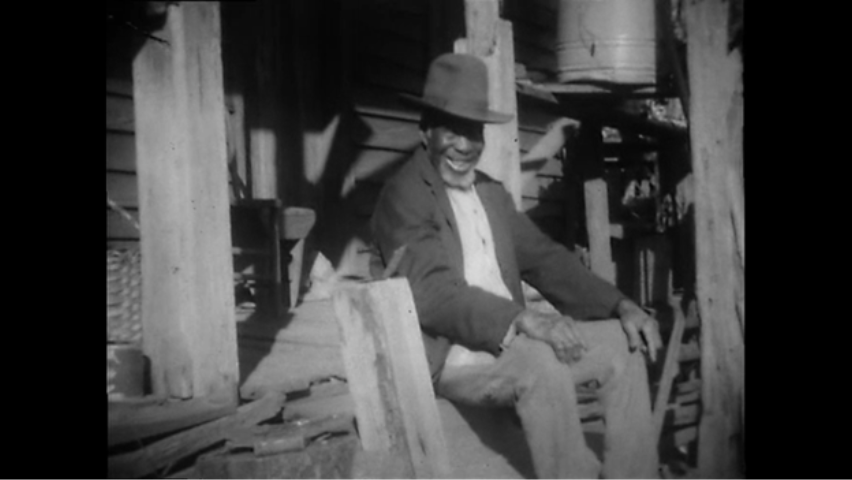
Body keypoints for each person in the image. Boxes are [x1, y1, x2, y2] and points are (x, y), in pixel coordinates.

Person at [371, 53, 663, 479]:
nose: (465, 145)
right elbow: (433, 295)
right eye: (452, 129)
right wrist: (523, 319)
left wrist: (622, 306)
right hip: (454, 359)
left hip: (510, 344)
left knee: (624, 344)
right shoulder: (404, 195)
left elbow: (546, 259)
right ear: (425, 131)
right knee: (540, 365)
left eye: (473, 131)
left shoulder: (490, 193)